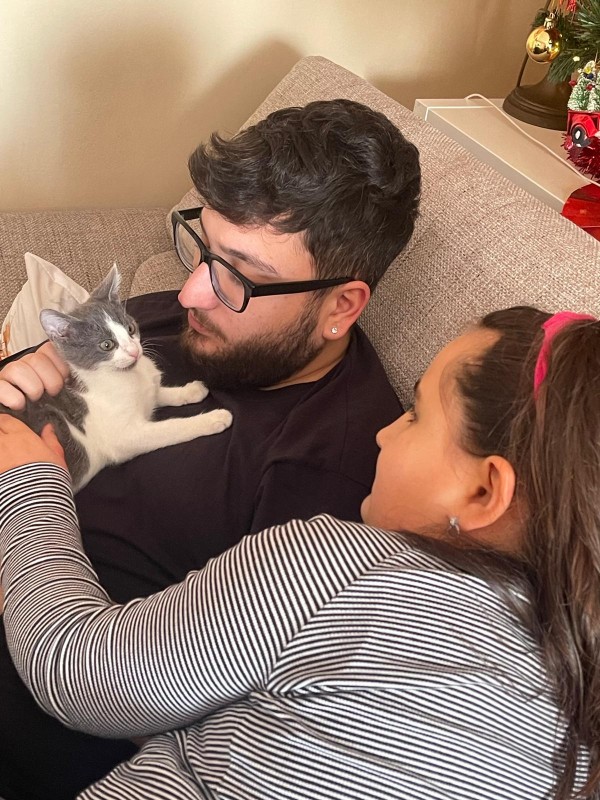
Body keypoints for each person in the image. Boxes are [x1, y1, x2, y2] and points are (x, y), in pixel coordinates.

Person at [0, 305, 598, 800]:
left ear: (484, 491)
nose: (385, 432)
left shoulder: (341, 567)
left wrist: (29, 485)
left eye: (416, 415)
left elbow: (72, 671)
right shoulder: (580, 707)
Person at [0, 99, 421, 799]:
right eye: (203, 248)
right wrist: (22, 377)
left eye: (239, 274)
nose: (192, 290)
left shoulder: (325, 479)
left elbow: (197, 722)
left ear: (341, 306)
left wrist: (18, 533)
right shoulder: (190, 321)